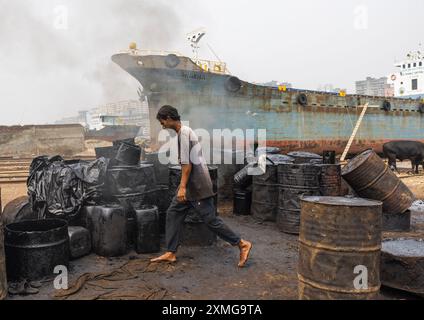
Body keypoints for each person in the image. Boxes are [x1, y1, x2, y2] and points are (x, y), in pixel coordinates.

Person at [150, 105, 252, 268]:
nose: (162, 125)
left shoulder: (183, 134)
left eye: (162, 121)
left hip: (197, 186)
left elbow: (187, 165)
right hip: (192, 185)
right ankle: (171, 252)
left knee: (211, 220)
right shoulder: (185, 131)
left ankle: (241, 244)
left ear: (169, 118)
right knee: (173, 213)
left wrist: (182, 187)